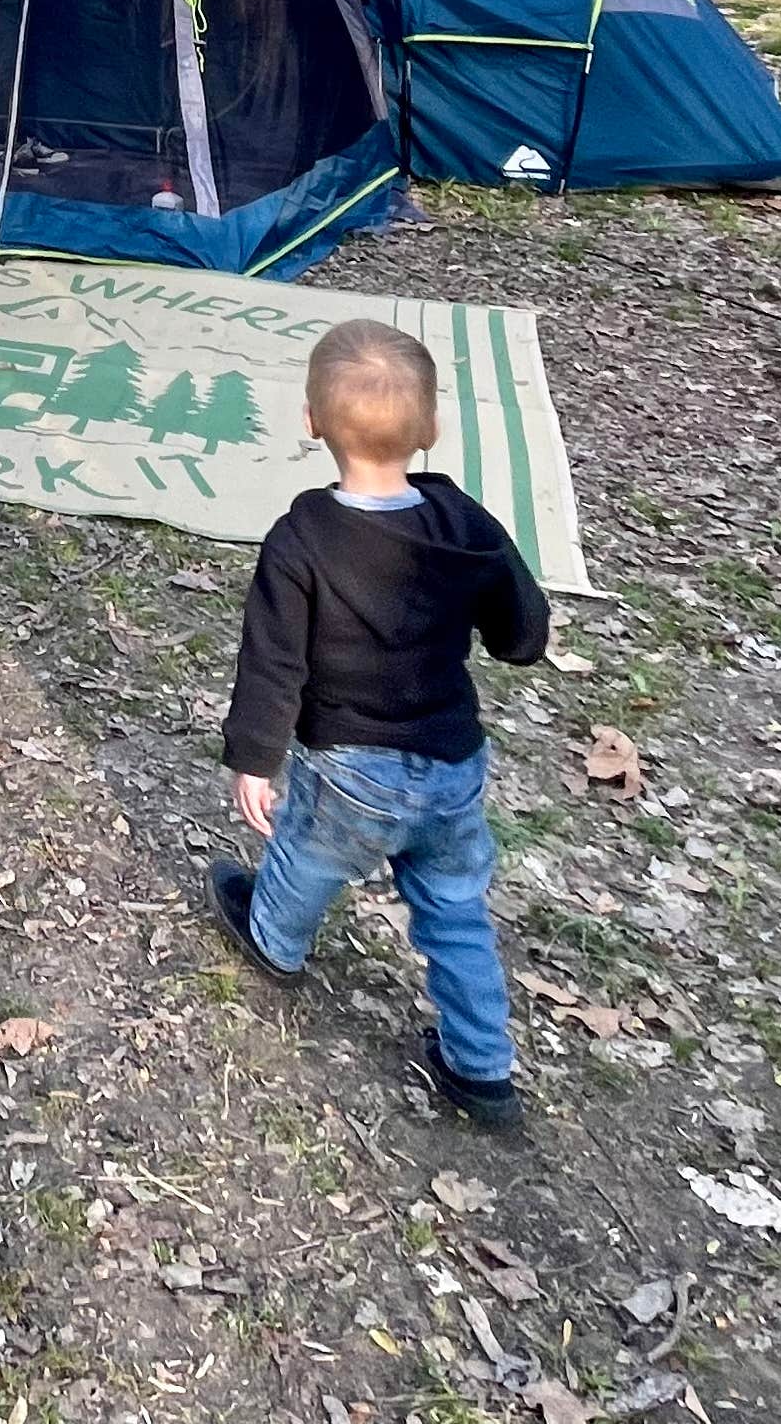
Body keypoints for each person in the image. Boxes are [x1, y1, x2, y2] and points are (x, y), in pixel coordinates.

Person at [211, 318, 550, 1129]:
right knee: (456, 910)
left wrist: (254, 758)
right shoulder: (464, 523)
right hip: (452, 763)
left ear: (311, 422)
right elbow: (523, 634)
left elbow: (274, 662)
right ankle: (482, 1069)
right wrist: (513, 630)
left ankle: (275, 940)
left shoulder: (301, 540)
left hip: (350, 767)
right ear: (430, 428)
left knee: (307, 856)